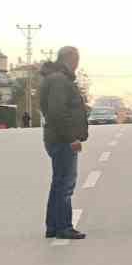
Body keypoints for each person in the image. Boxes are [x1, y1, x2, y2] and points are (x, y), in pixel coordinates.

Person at [40, 46, 88, 240]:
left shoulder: (55, 78)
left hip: (57, 138)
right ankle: (63, 227)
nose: (78, 64)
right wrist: (72, 138)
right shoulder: (60, 80)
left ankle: (53, 226)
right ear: (70, 59)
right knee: (65, 184)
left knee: (59, 182)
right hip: (62, 140)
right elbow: (57, 113)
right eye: (77, 59)